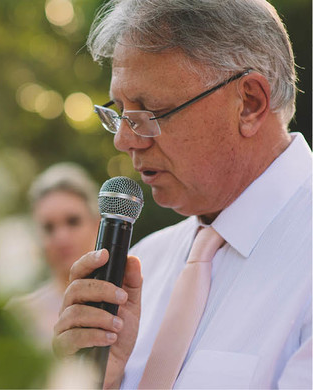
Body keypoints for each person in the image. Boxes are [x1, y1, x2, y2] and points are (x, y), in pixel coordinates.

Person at [51, 0, 311, 388]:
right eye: (119, 112)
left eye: (150, 112)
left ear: (250, 104)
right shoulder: (143, 267)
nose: (124, 140)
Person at [7, 163, 100, 348]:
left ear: (97, 224)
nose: (61, 238)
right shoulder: (18, 315)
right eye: (49, 228)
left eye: (73, 222)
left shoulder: (132, 301)